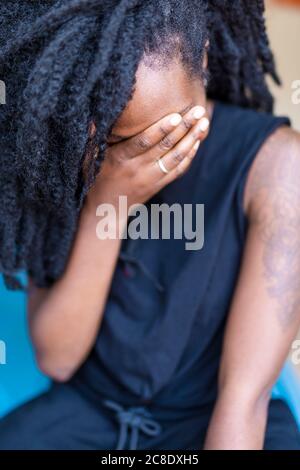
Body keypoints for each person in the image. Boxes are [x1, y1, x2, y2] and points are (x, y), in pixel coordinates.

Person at [0, 0, 300, 450]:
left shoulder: (278, 167)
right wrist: (111, 198)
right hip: (89, 409)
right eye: (120, 143)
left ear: (202, 56)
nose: (153, 160)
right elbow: (58, 358)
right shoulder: (65, 156)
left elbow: (243, 400)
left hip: (213, 416)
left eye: (173, 132)